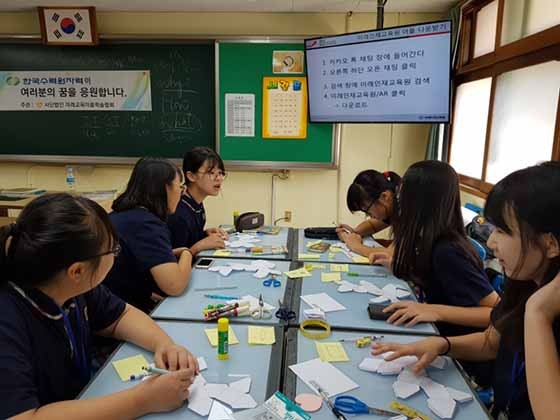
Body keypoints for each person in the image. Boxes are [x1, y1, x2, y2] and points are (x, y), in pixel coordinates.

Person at [371, 161, 560, 420]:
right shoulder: (524, 285)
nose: (491, 242)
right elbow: (490, 342)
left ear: (550, 244)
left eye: (503, 231)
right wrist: (442, 344)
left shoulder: (542, 306)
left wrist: (538, 314)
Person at [0, 193, 199, 419]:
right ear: (77, 271)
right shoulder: (7, 321)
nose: (116, 255)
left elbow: (120, 316)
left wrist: (164, 344)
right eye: (113, 251)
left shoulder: (71, 286)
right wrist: (141, 401)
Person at [374, 161, 499, 337]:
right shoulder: (428, 239)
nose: (399, 199)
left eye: (404, 193)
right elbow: (438, 282)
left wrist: (435, 311)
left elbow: (495, 312)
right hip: (434, 334)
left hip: (456, 349)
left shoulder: (449, 251)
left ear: (420, 202)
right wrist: (400, 267)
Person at [104, 157, 192, 313]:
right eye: (180, 187)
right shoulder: (146, 225)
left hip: (111, 303)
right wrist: (187, 253)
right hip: (120, 313)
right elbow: (174, 285)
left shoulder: (123, 214)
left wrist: (165, 256)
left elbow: (130, 260)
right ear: (166, 188)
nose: (181, 193)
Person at [168, 147, 228, 255]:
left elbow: (189, 240)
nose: (218, 178)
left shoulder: (195, 203)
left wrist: (204, 235)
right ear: (191, 176)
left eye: (221, 173)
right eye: (211, 173)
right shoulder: (178, 212)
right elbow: (171, 260)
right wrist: (198, 247)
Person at [337, 169, 400, 257]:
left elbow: (394, 255)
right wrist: (352, 233)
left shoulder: (407, 210)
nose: (369, 216)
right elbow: (373, 225)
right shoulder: (392, 204)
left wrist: (356, 246)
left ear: (384, 196)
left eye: (368, 210)